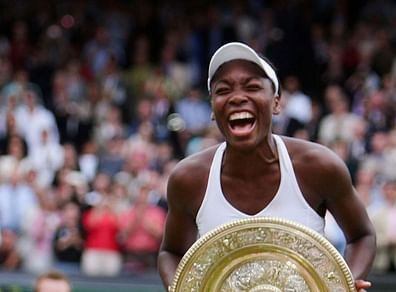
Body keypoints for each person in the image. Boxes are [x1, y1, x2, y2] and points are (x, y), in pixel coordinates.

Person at [157, 42, 376, 291]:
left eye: (252, 87)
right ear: (212, 109)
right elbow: (171, 252)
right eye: (223, 90)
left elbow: (362, 235)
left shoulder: (319, 166)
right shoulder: (189, 178)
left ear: (276, 102)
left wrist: (342, 284)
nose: (238, 97)